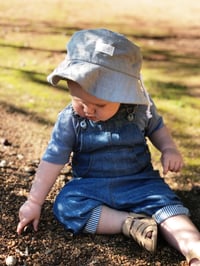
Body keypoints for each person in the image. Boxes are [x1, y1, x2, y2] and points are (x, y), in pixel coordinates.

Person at [17, 29, 200, 265]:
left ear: (123, 93)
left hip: (141, 183)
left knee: (170, 209)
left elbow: (157, 128)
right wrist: (34, 202)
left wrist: (169, 149)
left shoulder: (140, 107)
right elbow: (53, 158)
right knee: (66, 205)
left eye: (99, 104)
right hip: (92, 186)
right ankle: (129, 223)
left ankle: (194, 249)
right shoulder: (70, 120)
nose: (89, 110)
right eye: (79, 101)